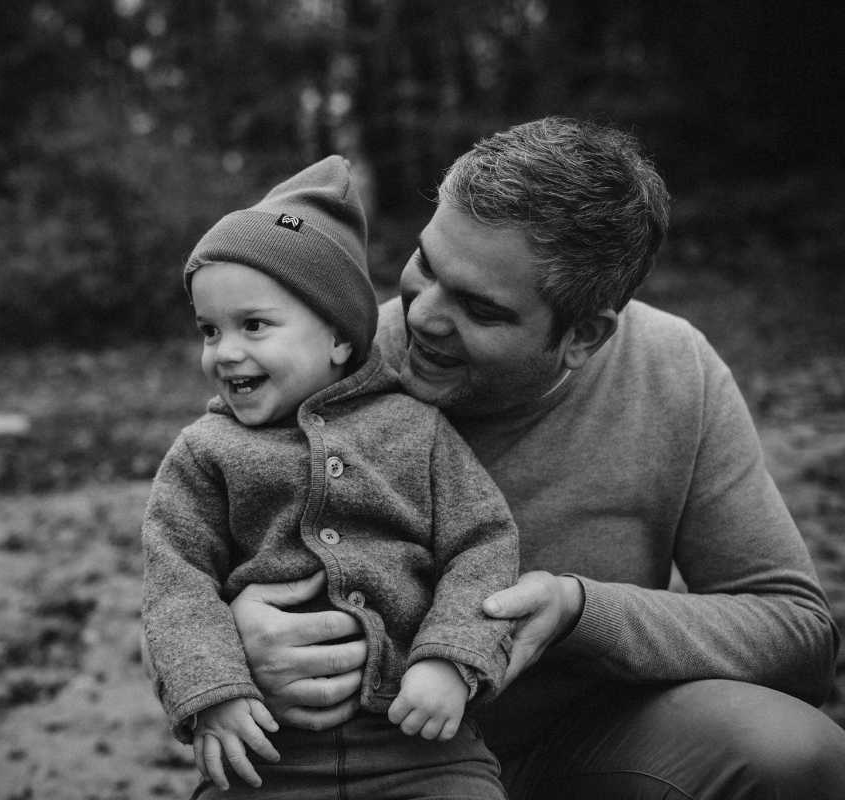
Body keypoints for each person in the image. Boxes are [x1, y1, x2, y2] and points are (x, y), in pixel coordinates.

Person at [228, 117, 845, 799]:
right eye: (427, 264)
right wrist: (235, 641)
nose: (424, 315)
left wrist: (580, 613)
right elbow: (179, 566)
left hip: (576, 754)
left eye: (480, 309)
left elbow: (798, 634)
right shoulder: (326, 366)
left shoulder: (671, 371)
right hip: (363, 768)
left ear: (583, 335)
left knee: (794, 753)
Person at [141, 155, 520, 797]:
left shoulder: (415, 429)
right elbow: (176, 582)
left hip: (420, 745)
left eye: (253, 325)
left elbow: (483, 543)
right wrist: (213, 692)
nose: (225, 350)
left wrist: (453, 657)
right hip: (268, 750)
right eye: (209, 330)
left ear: (340, 338)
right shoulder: (205, 452)